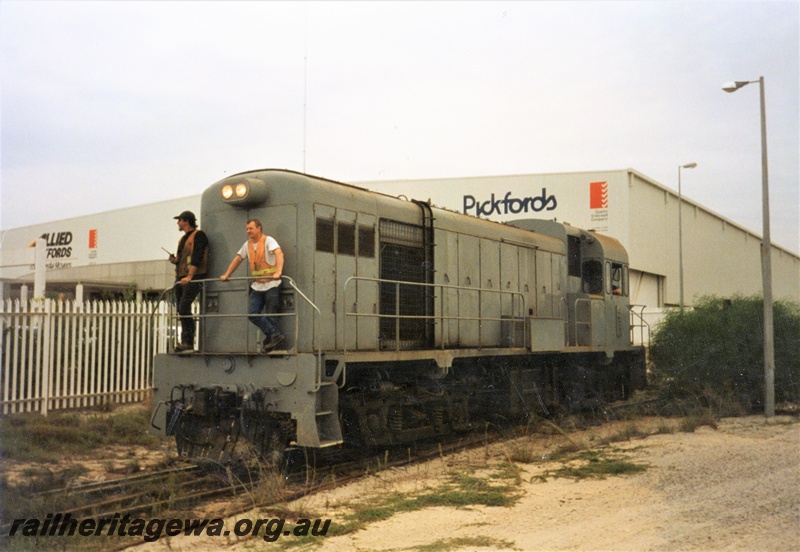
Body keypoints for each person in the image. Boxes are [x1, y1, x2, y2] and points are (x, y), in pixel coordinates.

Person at [219, 219, 285, 353]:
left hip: (272, 284)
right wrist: (227, 274)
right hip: (257, 285)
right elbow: (238, 259)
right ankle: (274, 335)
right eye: (247, 229)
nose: (248, 231)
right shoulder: (247, 245)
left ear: (259, 228)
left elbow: (279, 253)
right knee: (252, 314)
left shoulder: (268, 241)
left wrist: (278, 271)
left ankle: (272, 339)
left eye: (251, 228)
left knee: (272, 314)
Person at [169, 211, 209, 353]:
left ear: (186, 221)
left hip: (195, 277)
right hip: (181, 277)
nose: (178, 223)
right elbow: (183, 259)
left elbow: (197, 257)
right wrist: (175, 261)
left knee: (184, 306)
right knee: (181, 308)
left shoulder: (199, 235)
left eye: (179, 220)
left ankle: (188, 341)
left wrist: (190, 276)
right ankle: (185, 340)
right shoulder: (182, 239)